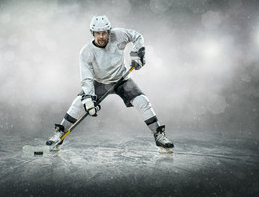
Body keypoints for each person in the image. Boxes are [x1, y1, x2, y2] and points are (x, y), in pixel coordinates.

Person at [46, 15, 174, 151]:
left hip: (122, 80)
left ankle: (159, 136)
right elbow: (87, 78)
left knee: (142, 101)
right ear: (92, 33)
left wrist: (138, 52)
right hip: (99, 83)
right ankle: (59, 134)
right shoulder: (86, 52)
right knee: (78, 103)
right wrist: (89, 98)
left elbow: (137, 36)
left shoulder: (119, 35)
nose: (101, 36)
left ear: (109, 31)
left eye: (104, 33)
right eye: (97, 33)